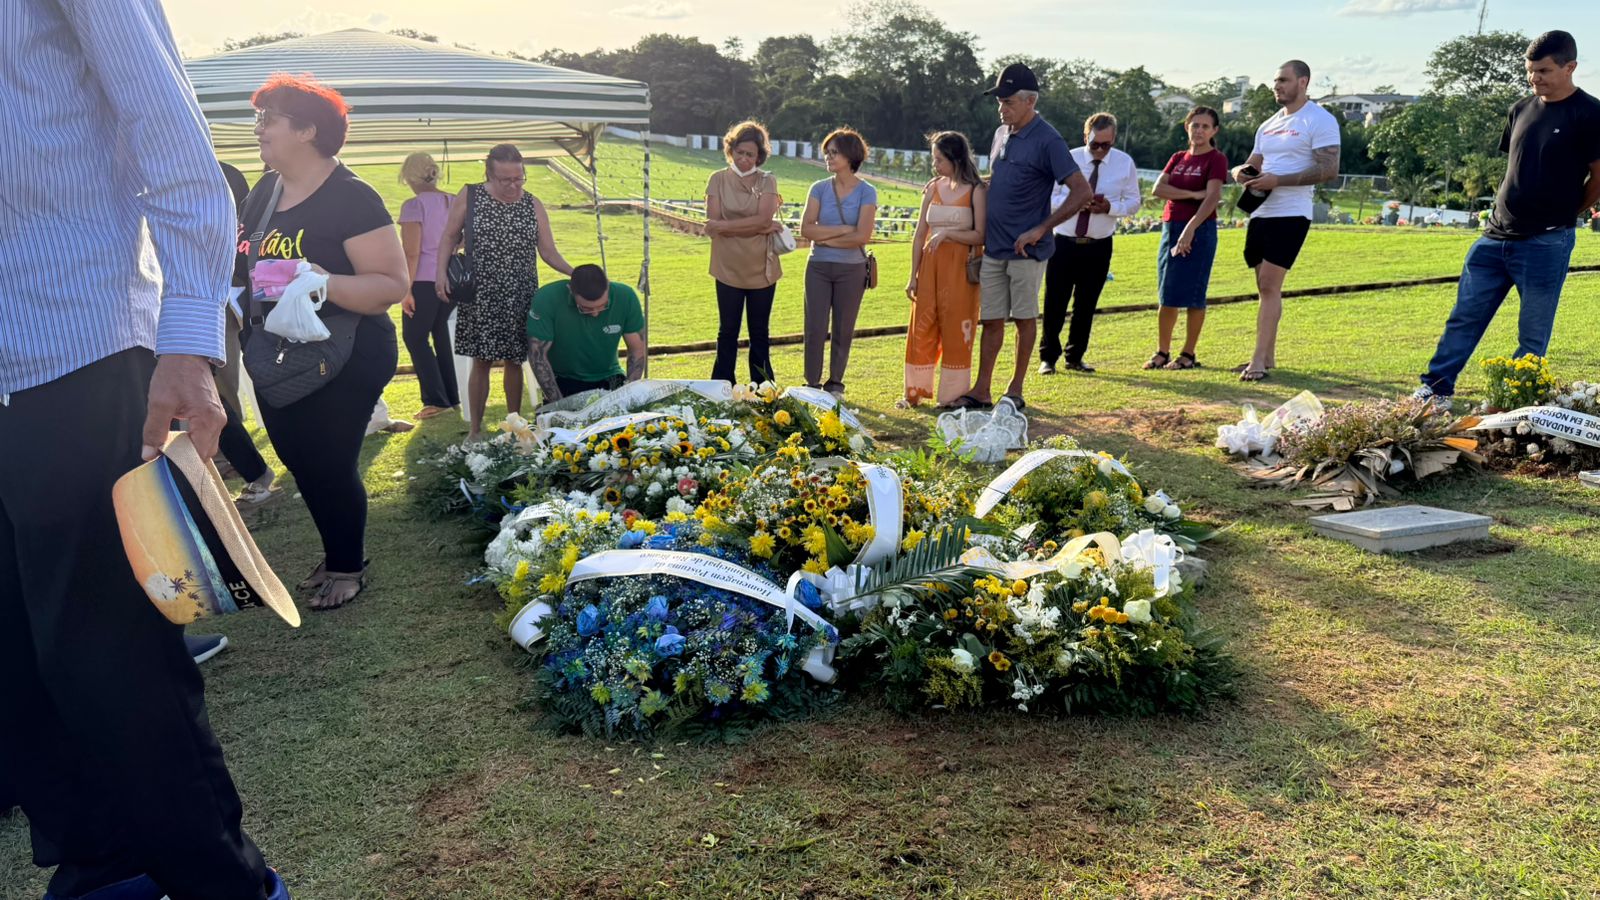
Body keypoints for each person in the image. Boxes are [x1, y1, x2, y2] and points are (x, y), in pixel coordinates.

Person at [0, 2, 289, 898]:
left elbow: (168, 132)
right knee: (17, 659)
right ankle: (101, 871)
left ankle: (224, 885)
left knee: (111, 656)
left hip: (72, 338)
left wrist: (190, 340)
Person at [246, 74, 409, 610]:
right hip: (279, 350)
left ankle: (346, 563)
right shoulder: (263, 192)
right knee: (297, 456)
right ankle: (336, 548)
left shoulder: (352, 197)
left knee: (329, 459)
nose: (259, 128)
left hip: (348, 350)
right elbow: (253, 265)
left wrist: (321, 281)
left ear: (308, 130)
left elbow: (390, 286)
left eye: (269, 118)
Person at [1415, 30, 1600, 409]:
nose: (1535, 79)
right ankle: (1435, 391)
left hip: (1546, 242)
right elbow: (1516, 168)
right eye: (1530, 72)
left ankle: (1517, 406)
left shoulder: (1590, 113)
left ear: (1570, 67)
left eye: (1544, 71)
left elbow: (1599, 178)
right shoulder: (1520, 108)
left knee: (1532, 334)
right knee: (1463, 319)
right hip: (1493, 238)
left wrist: (1565, 214)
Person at [954, 63, 1091, 410]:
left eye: (1009, 101)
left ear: (1030, 101)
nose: (1002, 107)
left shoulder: (1049, 140)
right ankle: (982, 389)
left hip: (1027, 250)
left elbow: (1081, 191)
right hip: (995, 245)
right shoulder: (1002, 133)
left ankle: (1015, 389)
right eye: (1000, 100)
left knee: (1025, 318)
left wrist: (1042, 228)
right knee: (992, 320)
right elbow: (998, 179)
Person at [438, 144, 573, 438]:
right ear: (490, 174)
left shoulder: (532, 204)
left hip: (520, 291)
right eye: (505, 180)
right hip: (481, 292)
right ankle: (475, 429)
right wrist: (439, 276)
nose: (513, 185)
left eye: (519, 178)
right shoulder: (471, 195)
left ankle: (515, 425)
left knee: (515, 360)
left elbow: (548, 251)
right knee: (481, 360)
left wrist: (575, 273)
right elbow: (448, 237)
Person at [1230, 60, 1341, 382]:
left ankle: (1257, 362)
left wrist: (1278, 180)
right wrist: (1239, 171)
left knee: (1268, 285)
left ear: (1302, 82)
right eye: (1275, 80)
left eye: (1283, 80)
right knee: (1264, 287)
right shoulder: (1269, 124)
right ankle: (1268, 355)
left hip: (1291, 213)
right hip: (1261, 212)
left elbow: (1328, 169)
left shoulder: (1319, 120)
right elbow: (1254, 161)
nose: (1276, 86)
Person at [1038, 112, 1141, 375]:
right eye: (1094, 144)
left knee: (1086, 304)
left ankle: (1075, 356)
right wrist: (1075, 204)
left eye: (1106, 145)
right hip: (1064, 241)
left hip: (1098, 244)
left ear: (1113, 139)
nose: (1099, 150)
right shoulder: (1068, 158)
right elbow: (1048, 196)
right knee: (1055, 302)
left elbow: (1133, 203)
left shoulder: (1124, 163)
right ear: (1086, 136)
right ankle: (1048, 358)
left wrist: (1109, 207)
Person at [901, 131, 987, 407]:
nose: (935, 165)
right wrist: (913, 275)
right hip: (930, 266)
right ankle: (914, 390)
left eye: (939, 159)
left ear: (955, 158)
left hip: (960, 268)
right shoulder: (933, 187)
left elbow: (980, 235)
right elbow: (919, 234)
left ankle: (952, 395)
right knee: (922, 326)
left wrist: (949, 234)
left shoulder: (976, 190)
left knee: (956, 329)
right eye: (933, 159)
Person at [215, 160, 279, 504]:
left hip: (222, 300)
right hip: (212, 300)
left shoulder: (225, 176)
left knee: (220, 385)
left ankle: (245, 464)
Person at [1147, 107, 1229, 371]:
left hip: (1199, 229)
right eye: (1195, 125)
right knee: (1167, 291)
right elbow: (1158, 188)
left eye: (1205, 126)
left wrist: (1192, 227)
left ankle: (1188, 353)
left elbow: (1213, 197)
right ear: (1187, 127)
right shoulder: (1178, 157)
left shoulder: (1216, 159)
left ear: (1214, 131)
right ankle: (1162, 351)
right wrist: (1193, 195)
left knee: (1194, 293)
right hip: (1172, 227)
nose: (1199, 131)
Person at [800, 128, 878, 398]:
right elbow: (807, 230)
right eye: (827, 153)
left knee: (843, 327)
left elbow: (863, 235)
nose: (828, 158)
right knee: (815, 327)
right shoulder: (818, 188)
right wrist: (845, 230)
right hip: (818, 267)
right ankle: (811, 382)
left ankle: (835, 384)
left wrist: (828, 237)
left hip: (852, 269)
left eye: (834, 153)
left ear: (850, 155)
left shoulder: (867, 192)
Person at [706, 120, 784, 385]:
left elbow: (763, 220)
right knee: (727, 330)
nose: (744, 159)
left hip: (762, 267)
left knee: (759, 331)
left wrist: (726, 226)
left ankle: (762, 386)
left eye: (750, 154)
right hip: (727, 266)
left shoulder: (767, 181)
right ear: (731, 150)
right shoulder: (717, 179)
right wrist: (755, 226)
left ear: (759, 156)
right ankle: (722, 383)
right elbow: (711, 224)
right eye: (739, 152)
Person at [526, 264, 648, 400]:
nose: (595, 313)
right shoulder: (547, 298)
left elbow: (637, 350)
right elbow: (538, 355)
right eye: (585, 308)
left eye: (602, 306)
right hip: (562, 379)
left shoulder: (626, 296)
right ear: (570, 290)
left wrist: (629, 393)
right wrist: (557, 404)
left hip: (610, 375)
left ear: (608, 285)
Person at [398, 152, 460, 419]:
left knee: (414, 337)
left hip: (423, 280)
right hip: (451, 279)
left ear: (409, 177)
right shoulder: (454, 202)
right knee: (443, 337)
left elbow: (412, 252)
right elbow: (465, 240)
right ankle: (452, 397)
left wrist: (406, 289)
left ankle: (436, 399)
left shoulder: (413, 205)